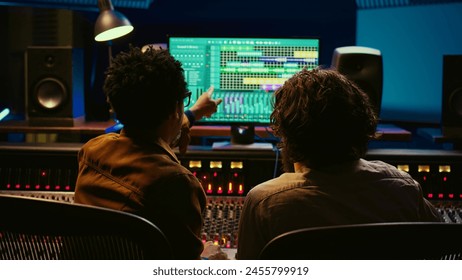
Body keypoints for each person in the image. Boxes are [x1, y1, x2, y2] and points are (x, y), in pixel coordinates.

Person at [236, 68, 442, 260]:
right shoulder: (402, 187)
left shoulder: (264, 202)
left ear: (289, 133)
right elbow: (444, 245)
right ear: (361, 124)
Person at [74, 46, 222, 259]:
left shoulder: (91, 151)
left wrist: (192, 113)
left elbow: (144, 138)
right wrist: (208, 257)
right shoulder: (177, 183)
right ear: (174, 109)